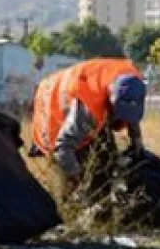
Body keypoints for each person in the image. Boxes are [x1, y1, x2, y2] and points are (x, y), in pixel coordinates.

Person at [30, 58, 147, 204]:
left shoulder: (132, 80)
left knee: (105, 168)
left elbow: (131, 107)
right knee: (71, 188)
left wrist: (137, 141)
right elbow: (63, 148)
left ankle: (102, 207)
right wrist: (77, 179)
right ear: (111, 100)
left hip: (89, 99)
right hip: (53, 110)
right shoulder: (87, 110)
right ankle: (68, 212)